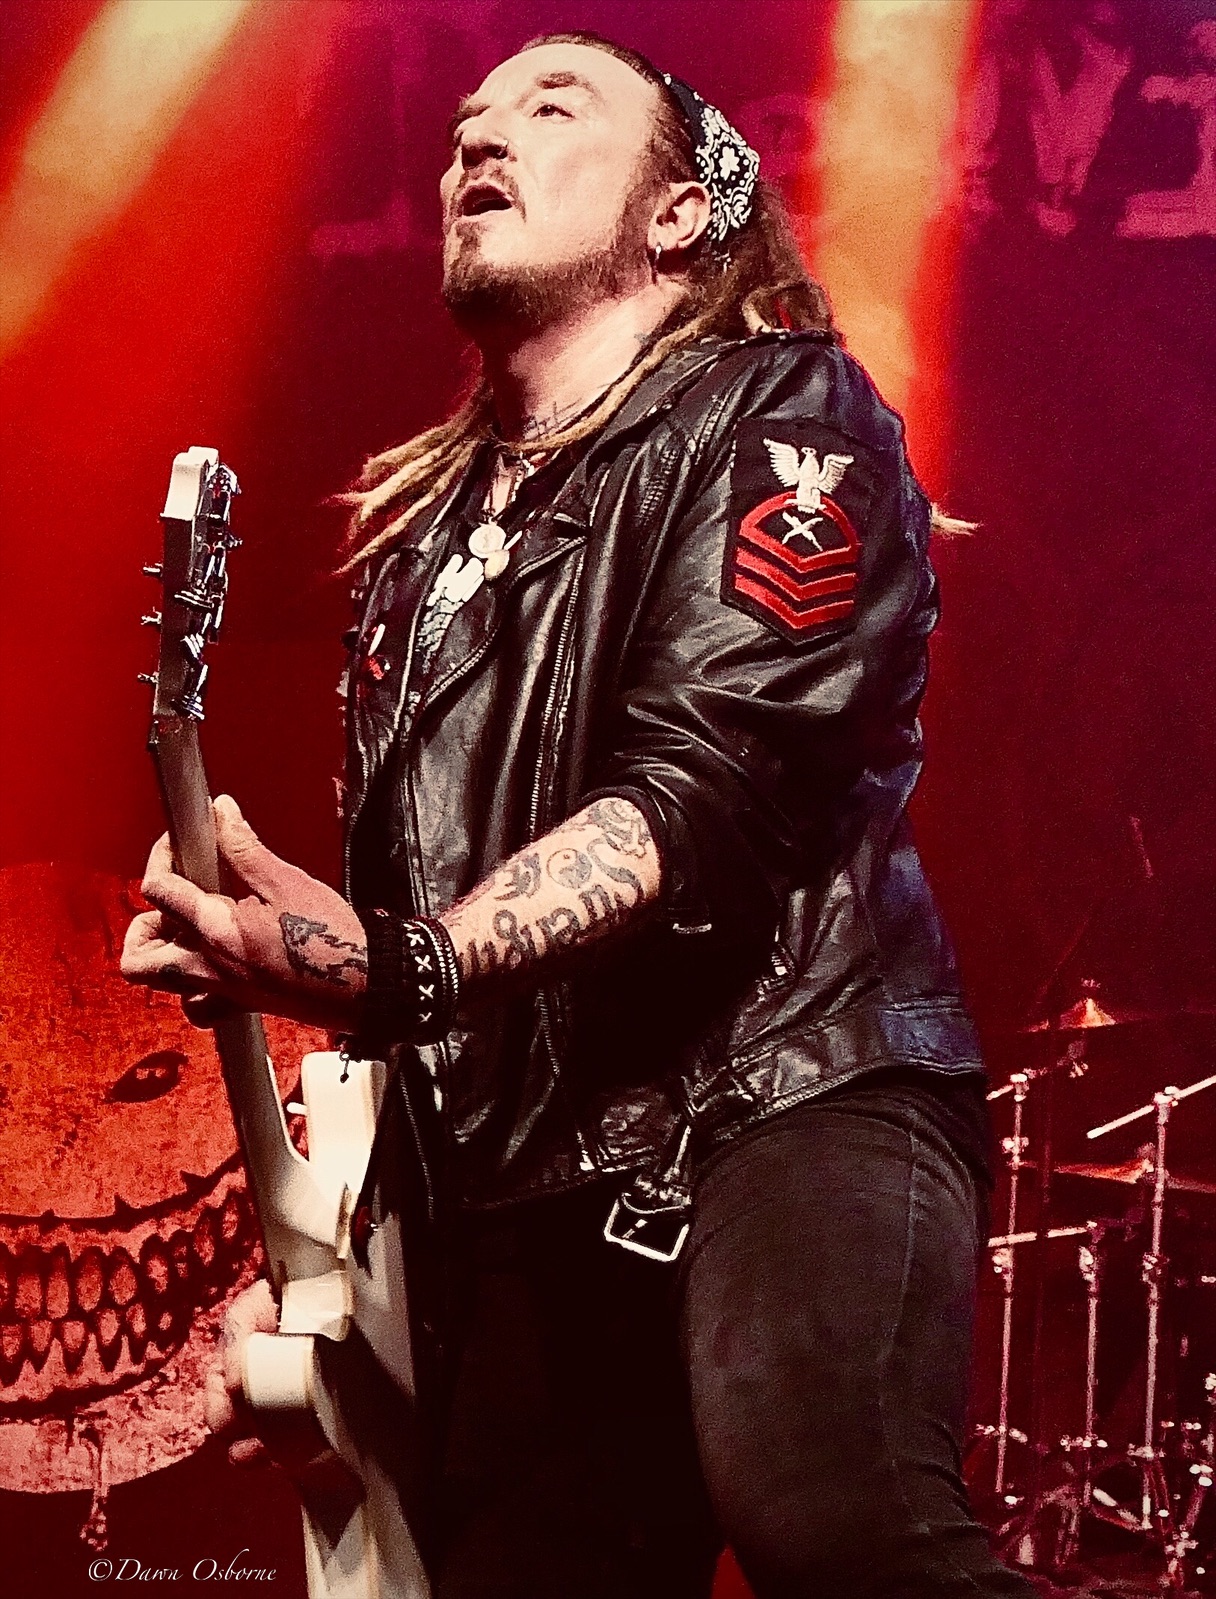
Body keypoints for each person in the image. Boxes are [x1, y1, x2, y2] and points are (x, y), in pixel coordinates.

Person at [123, 31, 1035, 1599]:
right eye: (465, 123)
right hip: (526, 1193)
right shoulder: (417, 555)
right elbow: (419, 966)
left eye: (551, 109)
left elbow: (702, 791)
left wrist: (396, 962)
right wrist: (326, 1267)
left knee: (838, 1530)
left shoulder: (783, 420)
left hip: (784, 1092)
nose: (478, 141)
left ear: (679, 214)